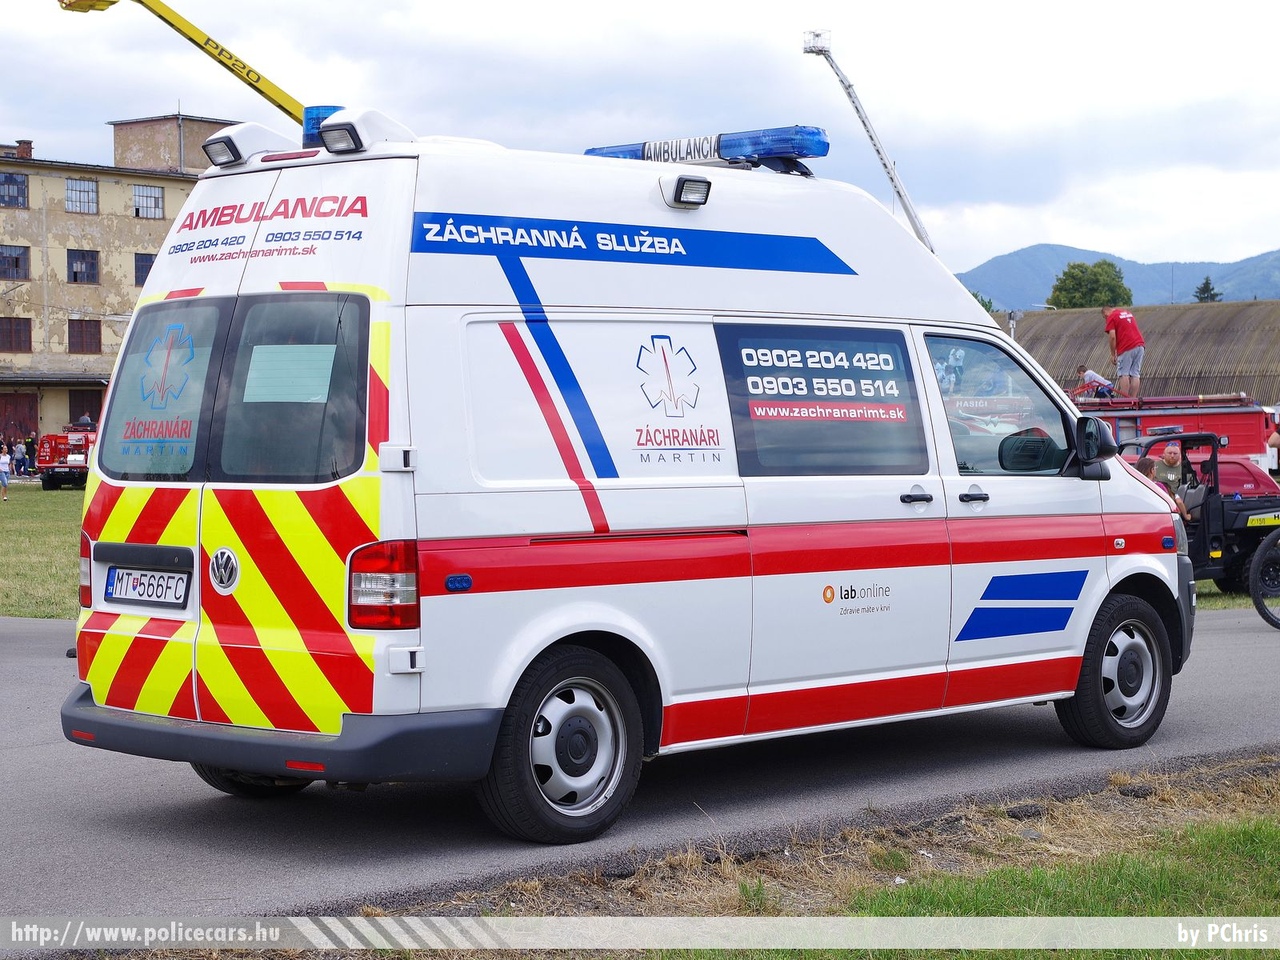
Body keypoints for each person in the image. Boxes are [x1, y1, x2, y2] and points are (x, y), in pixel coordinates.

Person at [1102, 306, 1144, 398]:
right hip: (1140, 345)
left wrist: (1113, 354)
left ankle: (1125, 401)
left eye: (1104, 318)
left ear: (1105, 313)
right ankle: (1133, 399)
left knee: (1123, 374)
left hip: (1126, 347)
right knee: (1135, 374)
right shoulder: (1127, 313)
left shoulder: (1111, 316)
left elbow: (1112, 337)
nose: (1106, 320)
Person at [1137, 454, 1189, 520]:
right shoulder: (1159, 486)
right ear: (1152, 470)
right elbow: (1173, 503)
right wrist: (1185, 516)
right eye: (1155, 468)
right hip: (1160, 518)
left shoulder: (1136, 486)